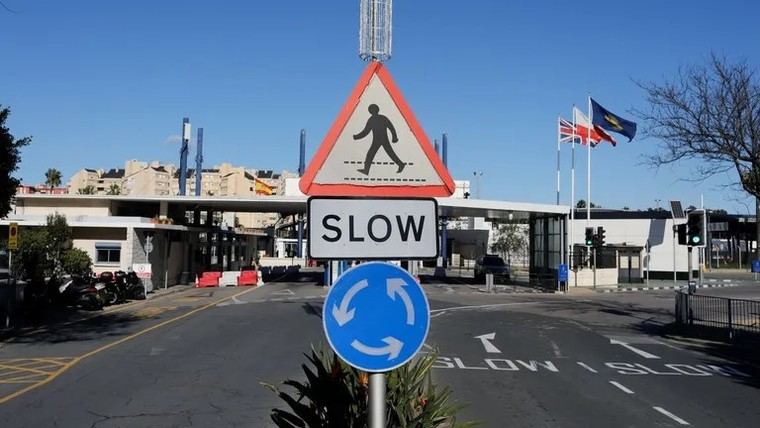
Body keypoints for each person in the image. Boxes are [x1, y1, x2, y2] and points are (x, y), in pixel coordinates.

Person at [353, 104, 405, 175]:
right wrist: (394, 137)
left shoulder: (372, 119)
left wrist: (356, 137)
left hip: (378, 140)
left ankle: (366, 170)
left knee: (371, 154)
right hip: (380, 139)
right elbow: (391, 128)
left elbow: (365, 132)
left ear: (370, 111)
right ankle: (401, 164)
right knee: (388, 153)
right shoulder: (382, 118)